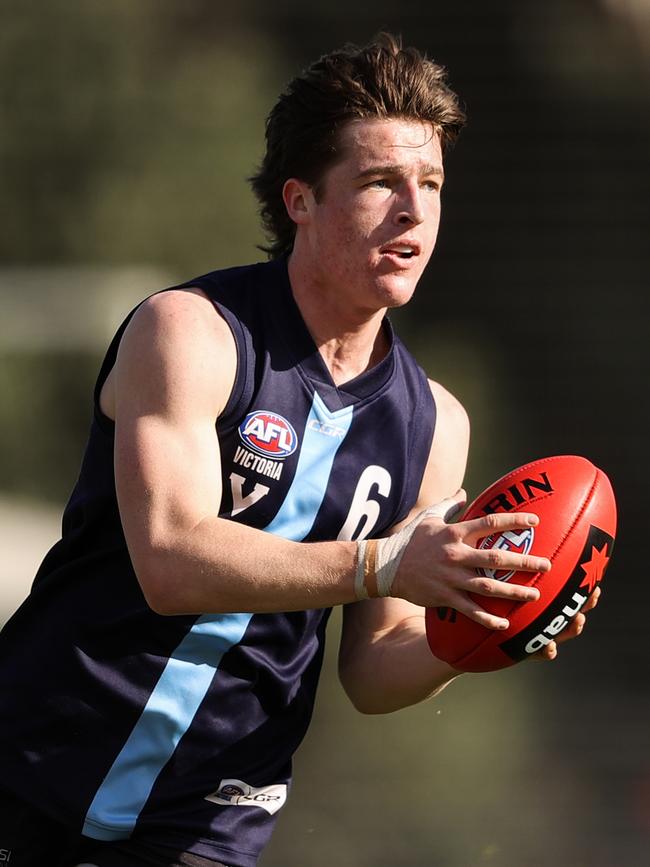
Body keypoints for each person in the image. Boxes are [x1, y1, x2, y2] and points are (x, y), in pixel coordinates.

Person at [0, 33, 598, 867]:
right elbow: (170, 560)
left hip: (205, 821)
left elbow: (374, 666)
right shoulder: (191, 335)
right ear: (300, 200)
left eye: (430, 184)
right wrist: (381, 564)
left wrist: (481, 632)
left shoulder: (435, 425)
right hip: (28, 769)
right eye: (380, 182)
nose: (414, 212)